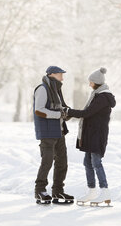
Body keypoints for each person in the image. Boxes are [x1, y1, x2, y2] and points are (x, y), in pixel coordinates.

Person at [63, 67, 116, 206]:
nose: (89, 84)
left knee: (96, 163)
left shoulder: (103, 97)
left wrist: (69, 111)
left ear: (96, 82)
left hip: (97, 135)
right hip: (91, 134)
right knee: (87, 163)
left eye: (91, 82)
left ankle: (105, 190)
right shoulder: (97, 95)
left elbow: (87, 113)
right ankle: (92, 190)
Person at [33, 66, 74, 205]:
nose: (62, 77)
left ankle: (57, 191)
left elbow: (60, 107)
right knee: (47, 162)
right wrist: (58, 115)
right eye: (60, 74)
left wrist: (66, 113)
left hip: (59, 131)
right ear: (52, 75)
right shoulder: (43, 89)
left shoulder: (56, 89)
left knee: (62, 162)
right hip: (47, 132)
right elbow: (39, 110)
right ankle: (40, 190)